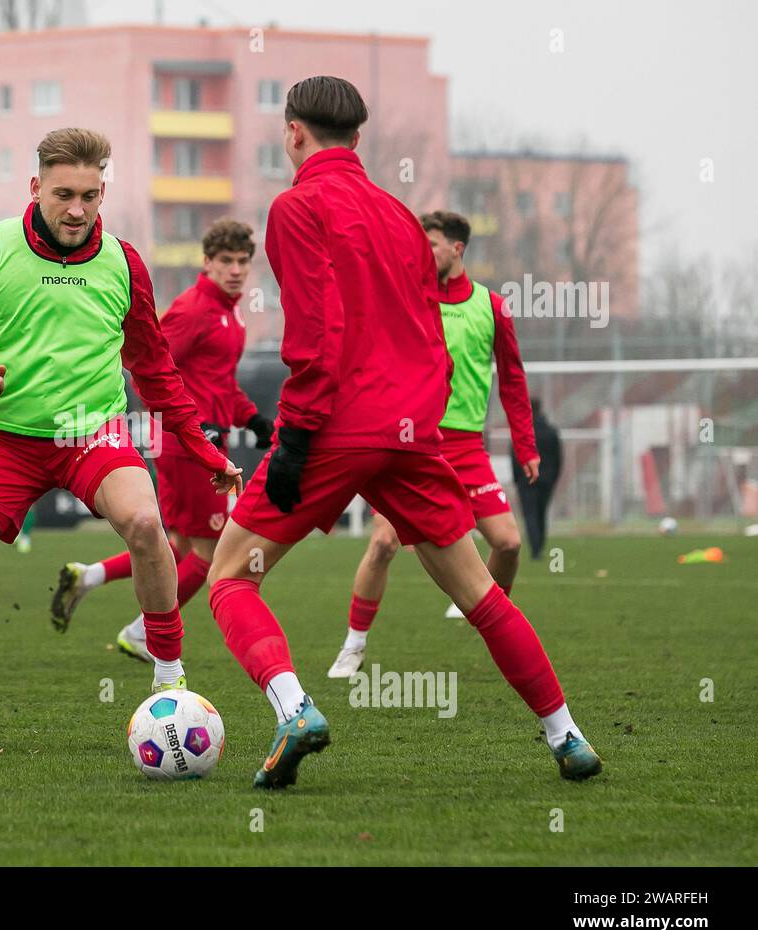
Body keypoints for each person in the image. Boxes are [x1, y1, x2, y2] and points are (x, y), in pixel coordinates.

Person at [206, 77, 601, 788]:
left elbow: (316, 333)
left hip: (332, 426)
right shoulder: (400, 217)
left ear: (293, 133)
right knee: (483, 595)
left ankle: (295, 709)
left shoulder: (295, 206)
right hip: (413, 432)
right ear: (357, 138)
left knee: (230, 578)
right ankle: (566, 734)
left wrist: (293, 438)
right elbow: (429, 337)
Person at [0, 127, 242, 735]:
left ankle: (169, 680)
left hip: (90, 436)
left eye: (90, 196)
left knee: (148, 525)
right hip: (3, 443)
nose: (77, 209)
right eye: (64, 193)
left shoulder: (124, 262)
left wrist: (203, 450)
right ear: (36, 186)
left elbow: (156, 369)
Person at [327, 209, 540, 679]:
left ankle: (480, 615)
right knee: (383, 540)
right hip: (412, 441)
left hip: (467, 447)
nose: (423, 254)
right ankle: (353, 646)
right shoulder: (407, 297)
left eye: (433, 245)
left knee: (508, 542)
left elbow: (513, 381)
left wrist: (525, 447)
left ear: (457, 249)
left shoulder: (493, 307)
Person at [50, 218, 274, 659]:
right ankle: (141, 634)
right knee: (210, 555)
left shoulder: (231, 313)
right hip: (190, 446)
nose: (234, 270)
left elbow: (220, 382)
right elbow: (153, 367)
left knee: (182, 546)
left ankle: (89, 575)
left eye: (242, 262)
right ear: (206, 263)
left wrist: (252, 420)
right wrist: (186, 425)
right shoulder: (193, 308)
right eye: (225, 261)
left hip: (206, 441)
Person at [515, 398, 563, 559]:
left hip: (526, 478)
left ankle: (535, 547)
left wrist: (517, 478)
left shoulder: (522, 431)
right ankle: (540, 545)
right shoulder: (551, 431)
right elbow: (558, 458)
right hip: (546, 479)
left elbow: (515, 456)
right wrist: (554, 477)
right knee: (541, 512)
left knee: (530, 514)